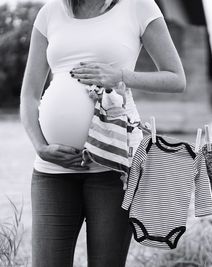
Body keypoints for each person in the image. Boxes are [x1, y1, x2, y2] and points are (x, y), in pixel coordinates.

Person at [19, 0, 185, 266]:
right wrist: (40, 146)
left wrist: (121, 75)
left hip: (114, 171)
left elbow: (177, 79)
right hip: (53, 172)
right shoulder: (50, 12)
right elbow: (28, 94)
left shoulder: (139, 7)